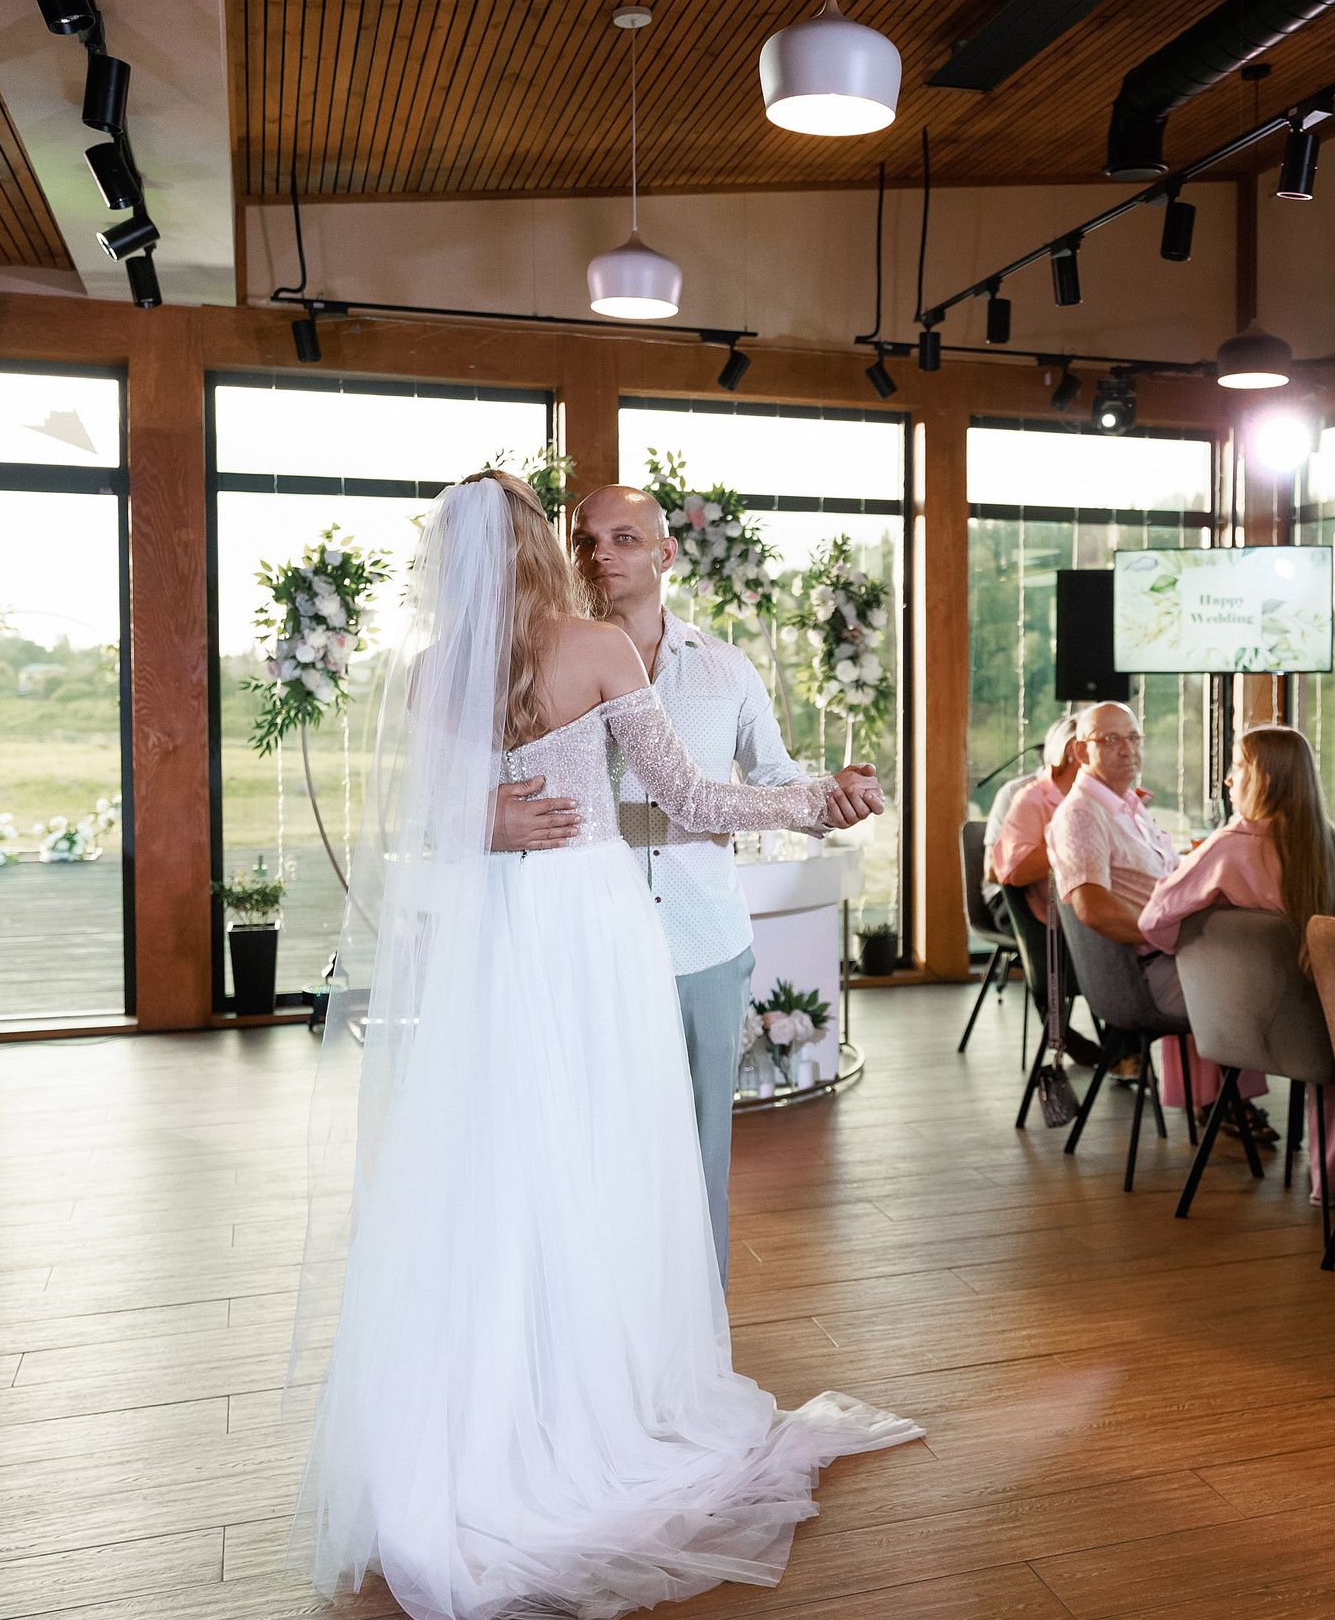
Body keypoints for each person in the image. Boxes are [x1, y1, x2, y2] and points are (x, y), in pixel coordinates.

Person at [293, 474, 917, 1619]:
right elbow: (684, 799)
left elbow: (421, 815)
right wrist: (814, 799)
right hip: (586, 934)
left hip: (496, 941)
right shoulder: (593, 648)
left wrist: (490, 823)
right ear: (544, 545)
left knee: (499, 1161)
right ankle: (597, 1402)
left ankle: (501, 1406)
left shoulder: (434, 669)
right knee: (606, 1161)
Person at [491, 484, 876, 1286]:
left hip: (704, 939)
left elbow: (771, 776)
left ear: (664, 554)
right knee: (599, 1147)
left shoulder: (726, 668)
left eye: (624, 539)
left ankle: (701, 1336)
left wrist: (826, 799)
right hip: (591, 943)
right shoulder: (541, 667)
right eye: (587, 541)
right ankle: (612, 1327)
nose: (601, 556)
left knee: (701, 1150)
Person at [1140, 727, 1335, 1203]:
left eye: (1236, 768)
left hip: (1242, 1028)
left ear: (1264, 779)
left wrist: (1203, 947)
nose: (1228, 781)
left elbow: (1155, 919)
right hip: (1333, 1034)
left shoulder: (1226, 848)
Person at [1048, 703, 1266, 1134]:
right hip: (1145, 974)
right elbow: (1091, 906)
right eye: (1110, 740)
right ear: (1079, 750)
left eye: (1133, 737)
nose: (1127, 750)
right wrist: (1174, 935)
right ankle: (1238, 1103)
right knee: (1267, 982)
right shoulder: (1081, 814)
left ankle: (1226, 1100)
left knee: (1251, 954)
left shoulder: (1125, 805)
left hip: (1169, 957)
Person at [986, 712, 1085, 922]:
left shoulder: (1094, 796)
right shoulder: (1017, 794)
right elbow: (993, 872)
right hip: (1013, 900)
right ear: (1071, 750)